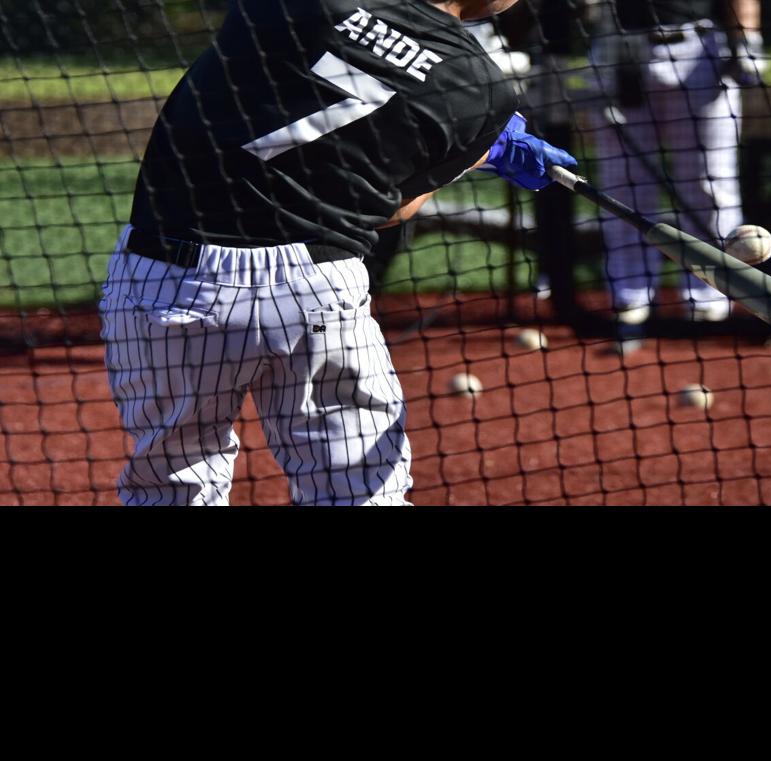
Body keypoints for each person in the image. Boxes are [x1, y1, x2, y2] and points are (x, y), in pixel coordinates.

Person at [100, 0, 579, 506]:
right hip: (317, 287)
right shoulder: (482, 89)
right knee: (357, 491)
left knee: (174, 484)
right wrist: (481, 151)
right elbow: (395, 208)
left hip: (170, 276)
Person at [586, 0, 764, 328]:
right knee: (623, 183)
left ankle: (710, 294)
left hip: (699, 50)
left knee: (709, 182)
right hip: (620, 47)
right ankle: (630, 296)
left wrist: (746, 39)